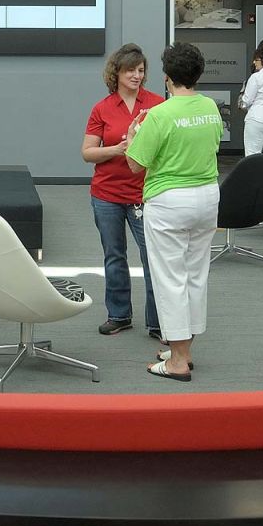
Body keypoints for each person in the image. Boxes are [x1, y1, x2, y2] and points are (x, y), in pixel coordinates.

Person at [125, 42, 224, 381]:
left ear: (167, 77)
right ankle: (185, 349)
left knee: (170, 279)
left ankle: (178, 361)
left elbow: (135, 164)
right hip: (207, 197)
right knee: (195, 275)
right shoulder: (210, 107)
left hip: (169, 201)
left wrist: (132, 135)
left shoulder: (160, 114)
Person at [83, 44, 163, 338]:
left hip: (145, 194)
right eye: (130, 70)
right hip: (107, 195)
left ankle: (158, 322)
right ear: (116, 73)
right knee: (114, 256)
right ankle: (119, 315)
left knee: (152, 258)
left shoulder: (157, 104)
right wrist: (118, 149)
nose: (136, 75)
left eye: (141, 70)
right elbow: (88, 152)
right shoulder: (102, 108)